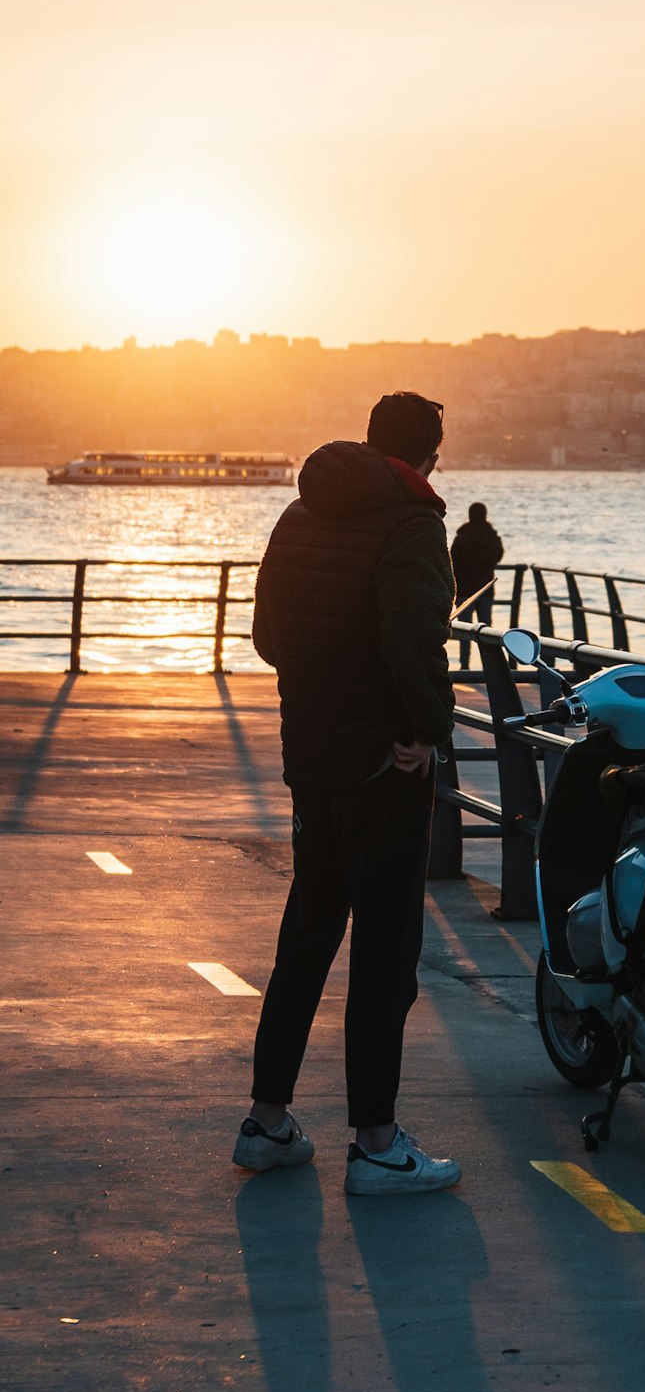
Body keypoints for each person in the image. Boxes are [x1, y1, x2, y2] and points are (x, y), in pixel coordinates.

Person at [232, 391, 461, 1194]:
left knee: (306, 939)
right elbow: (412, 641)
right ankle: (376, 1141)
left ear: (372, 440)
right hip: (382, 769)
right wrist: (428, 729)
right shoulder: (412, 523)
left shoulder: (302, 514)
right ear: (431, 454)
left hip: (313, 759)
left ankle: (267, 1120)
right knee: (385, 956)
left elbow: (267, 635)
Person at [451, 501, 504, 669]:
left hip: (464, 590)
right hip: (485, 589)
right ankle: (489, 667)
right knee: (486, 632)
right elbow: (498, 554)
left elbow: (453, 559)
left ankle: (464, 665)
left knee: (464, 631)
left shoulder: (463, 536)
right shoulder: (491, 535)